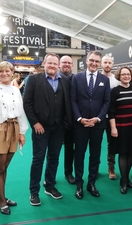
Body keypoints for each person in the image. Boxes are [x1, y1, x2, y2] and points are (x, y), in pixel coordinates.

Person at [23, 53, 72, 206]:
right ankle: (34, 191)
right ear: (44, 63)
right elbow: (27, 103)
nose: (52, 66)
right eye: (49, 63)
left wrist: (64, 122)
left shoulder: (64, 81)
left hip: (58, 128)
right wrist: (35, 123)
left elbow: (67, 104)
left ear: (58, 65)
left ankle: (49, 186)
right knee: (38, 159)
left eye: (54, 63)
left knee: (54, 158)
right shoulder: (33, 79)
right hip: (40, 128)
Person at [71, 51, 110, 200]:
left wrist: (98, 119)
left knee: (95, 155)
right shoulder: (77, 78)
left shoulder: (104, 80)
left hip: (97, 125)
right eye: (92, 60)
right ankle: (79, 184)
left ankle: (91, 183)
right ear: (86, 61)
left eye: (97, 61)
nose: (94, 63)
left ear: (100, 63)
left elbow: (107, 102)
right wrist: (79, 118)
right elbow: (73, 100)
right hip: (80, 125)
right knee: (79, 154)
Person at [0, 61, 29, 215]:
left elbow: (20, 112)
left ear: (12, 72)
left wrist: (22, 132)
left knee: (5, 166)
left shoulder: (16, 91)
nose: (4, 74)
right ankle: (2, 201)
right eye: (1, 71)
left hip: (14, 128)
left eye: (7, 71)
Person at [108, 66, 132, 194]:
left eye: (128, 74)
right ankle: (123, 181)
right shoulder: (115, 91)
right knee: (123, 153)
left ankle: (126, 179)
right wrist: (113, 127)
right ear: (119, 76)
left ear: (131, 75)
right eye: (123, 74)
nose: (126, 76)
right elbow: (111, 111)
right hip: (121, 128)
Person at [101, 54, 120, 180]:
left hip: (112, 117)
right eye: (105, 62)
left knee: (111, 143)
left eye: (109, 63)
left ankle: (111, 167)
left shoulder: (116, 81)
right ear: (101, 64)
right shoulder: (95, 78)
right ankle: (94, 167)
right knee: (95, 143)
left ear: (112, 64)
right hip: (97, 117)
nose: (107, 65)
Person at [58, 55, 75, 184]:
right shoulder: (52, 78)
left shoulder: (76, 79)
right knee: (53, 151)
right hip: (55, 122)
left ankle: (68, 173)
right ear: (59, 64)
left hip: (71, 122)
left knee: (70, 149)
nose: (66, 65)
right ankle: (49, 176)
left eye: (69, 63)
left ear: (72, 65)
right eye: (64, 62)